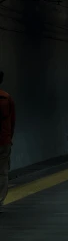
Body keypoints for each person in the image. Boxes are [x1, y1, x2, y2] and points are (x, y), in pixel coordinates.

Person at [0, 71, 16, 214]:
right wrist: (9, 138)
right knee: (3, 172)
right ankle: (0, 199)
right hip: (4, 140)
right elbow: (12, 121)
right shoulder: (7, 98)